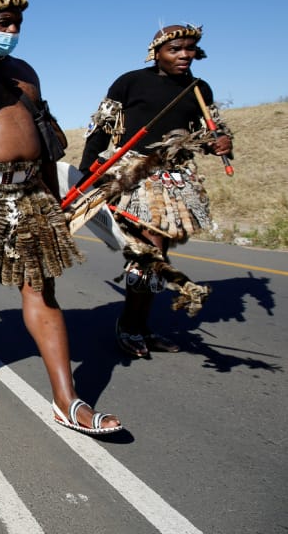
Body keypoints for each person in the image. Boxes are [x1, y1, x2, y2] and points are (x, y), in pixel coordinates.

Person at [0, 0, 122, 435]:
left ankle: (66, 401)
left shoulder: (25, 73)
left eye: (17, 25)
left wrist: (55, 199)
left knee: (41, 291)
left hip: (31, 197)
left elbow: (45, 142)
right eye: (3, 24)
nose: (12, 32)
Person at [79, 24, 232, 358]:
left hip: (174, 180)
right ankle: (131, 327)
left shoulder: (199, 89)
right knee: (151, 251)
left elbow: (209, 133)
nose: (184, 55)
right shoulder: (130, 82)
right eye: (175, 49)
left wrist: (220, 142)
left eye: (189, 49)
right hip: (132, 176)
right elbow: (101, 127)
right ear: (156, 52)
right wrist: (86, 174)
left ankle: (138, 326)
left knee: (155, 256)